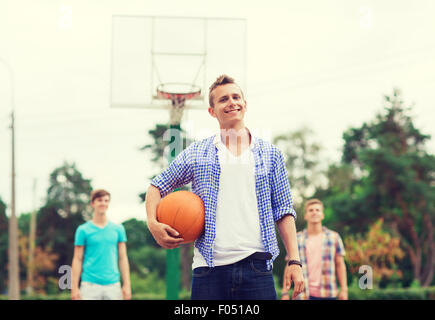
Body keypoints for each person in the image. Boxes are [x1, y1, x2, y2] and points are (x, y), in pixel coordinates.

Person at [146, 74, 304, 300]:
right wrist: (152, 223)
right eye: (223, 99)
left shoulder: (270, 154)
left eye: (236, 97)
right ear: (212, 111)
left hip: (257, 267)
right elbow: (156, 186)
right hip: (209, 268)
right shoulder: (198, 153)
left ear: (245, 105)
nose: (231, 102)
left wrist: (294, 260)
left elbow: (284, 210)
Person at [281, 198, 348, 300]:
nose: (314, 212)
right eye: (311, 210)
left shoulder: (334, 237)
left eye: (317, 210)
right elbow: (289, 265)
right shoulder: (297, 238)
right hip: (303, 294)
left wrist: (344, 289)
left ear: (322, 215)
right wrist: (285, 293)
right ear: (306, 216)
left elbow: (340, 265)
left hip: (328, 293)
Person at [71, 189, 131, 300]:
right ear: (92, 203)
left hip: (113, 285)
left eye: (106, 200)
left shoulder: (118, 229)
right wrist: (74, 288)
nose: (103, 203)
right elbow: (77, 259)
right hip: (89, 285)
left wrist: (127, 284)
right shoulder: (83, 230)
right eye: (99, 200)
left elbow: (123, 258)